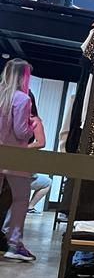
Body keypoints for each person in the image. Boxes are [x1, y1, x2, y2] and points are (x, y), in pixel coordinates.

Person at [0, 59, 39, 261]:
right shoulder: (23, 99)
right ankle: (14, 245)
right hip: (14, 157)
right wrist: (33, 126)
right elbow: (21, 131)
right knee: (21, 201)